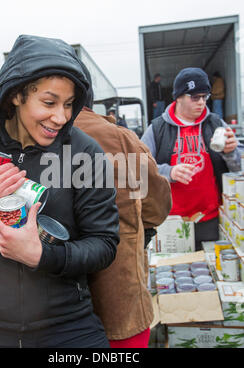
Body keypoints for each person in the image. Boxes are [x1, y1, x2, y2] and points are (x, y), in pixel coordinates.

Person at [0, 35, 120, 348]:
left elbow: (104, 244)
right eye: (49, 103)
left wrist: (41, 255)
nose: (61, 117)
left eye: (68, 105)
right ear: (16, 95)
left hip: (70, 325)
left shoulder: (84, 153)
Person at [74, 68, 172, 348]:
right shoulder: (120, 140)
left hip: (53, 314)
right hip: (119, 303)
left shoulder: (32, 139)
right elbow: (156, 208)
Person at [142, 67, 241, 251]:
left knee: (210, 273)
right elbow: (138, 168)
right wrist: (169, 171)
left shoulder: (216, 124)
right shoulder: (157, 129)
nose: (202, 102)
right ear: (178, 96)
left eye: (205, 97)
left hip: (210, 218)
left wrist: (231, 153)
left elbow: (237, 169)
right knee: (174, 275)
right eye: (195, 97)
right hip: (171, 221)